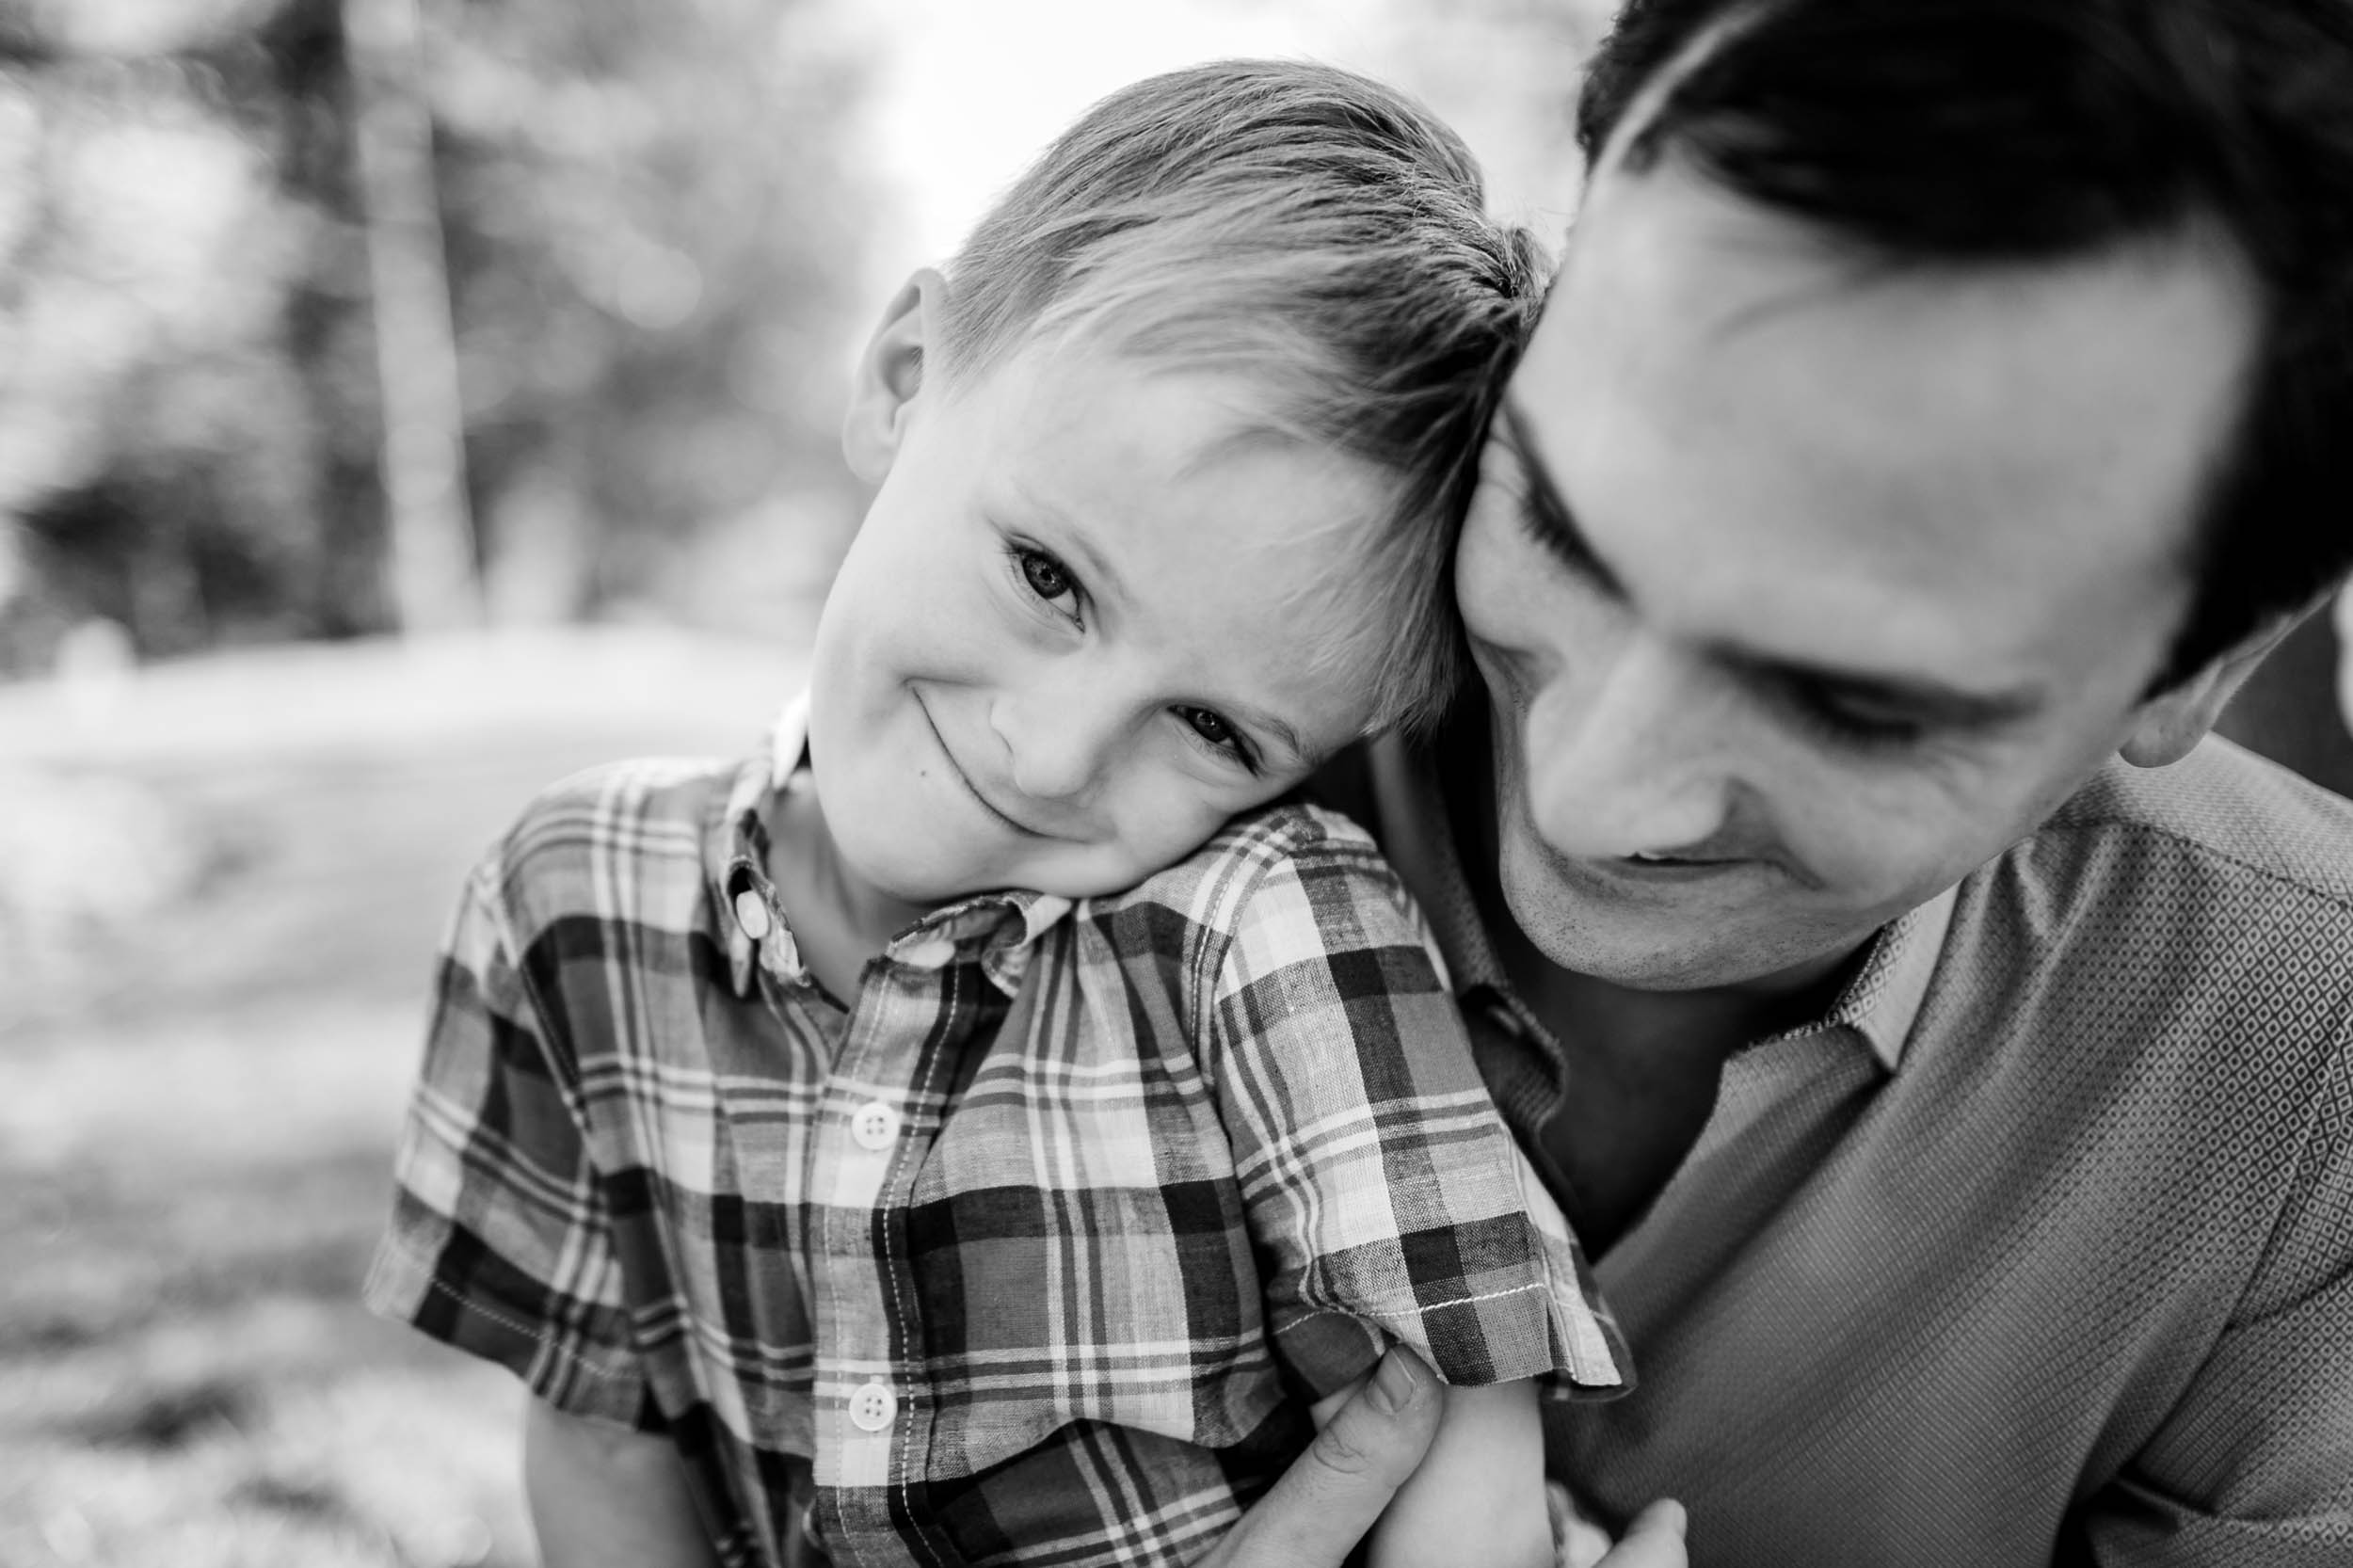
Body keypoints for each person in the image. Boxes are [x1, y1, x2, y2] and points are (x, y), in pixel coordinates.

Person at [366, 60, 1654, 1568]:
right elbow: (597, 1430)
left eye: (1214, 727)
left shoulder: (1270, 932)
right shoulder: (567, 901)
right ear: (907, 376)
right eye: (1048, 575)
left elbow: (1458, 1409)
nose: (1050, 760)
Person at [1209, 1, 2353, 1563]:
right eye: (1559, 527)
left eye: (1848, 701)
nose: (1592, 792)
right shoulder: (1121, 717)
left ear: (2195, 672)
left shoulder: (2314, 1073)